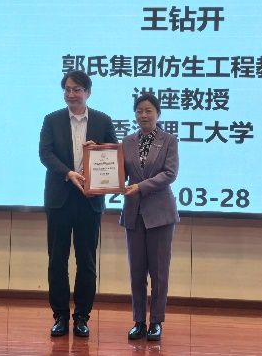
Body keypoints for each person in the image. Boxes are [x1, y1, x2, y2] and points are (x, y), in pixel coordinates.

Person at [39, 70, 118, 338]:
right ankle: (60, 316)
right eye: (67, 89)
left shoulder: (103, 120)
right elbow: (45, 154)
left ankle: (82, 317)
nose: (71, 94)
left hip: (89, 201)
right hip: (59, 200)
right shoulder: (52, 120)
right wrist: (68, 173)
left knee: (87, 261)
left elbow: (114, 156)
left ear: (88, 92)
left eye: (77, 89)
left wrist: (99, 150)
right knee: (57, 261)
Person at [120, 92, 180, 342]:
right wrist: (96, 155)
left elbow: (170, 174)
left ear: (158, 113)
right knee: (136, 271)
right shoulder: (127, 141)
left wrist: (141, 187)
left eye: (148, 110)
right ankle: (138, 321)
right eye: (139, 111)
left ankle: (156, 321)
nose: (143, 115)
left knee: (159, 272)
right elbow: (117, 172)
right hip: (134, 213)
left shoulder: (169, 140)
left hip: (160, 214)